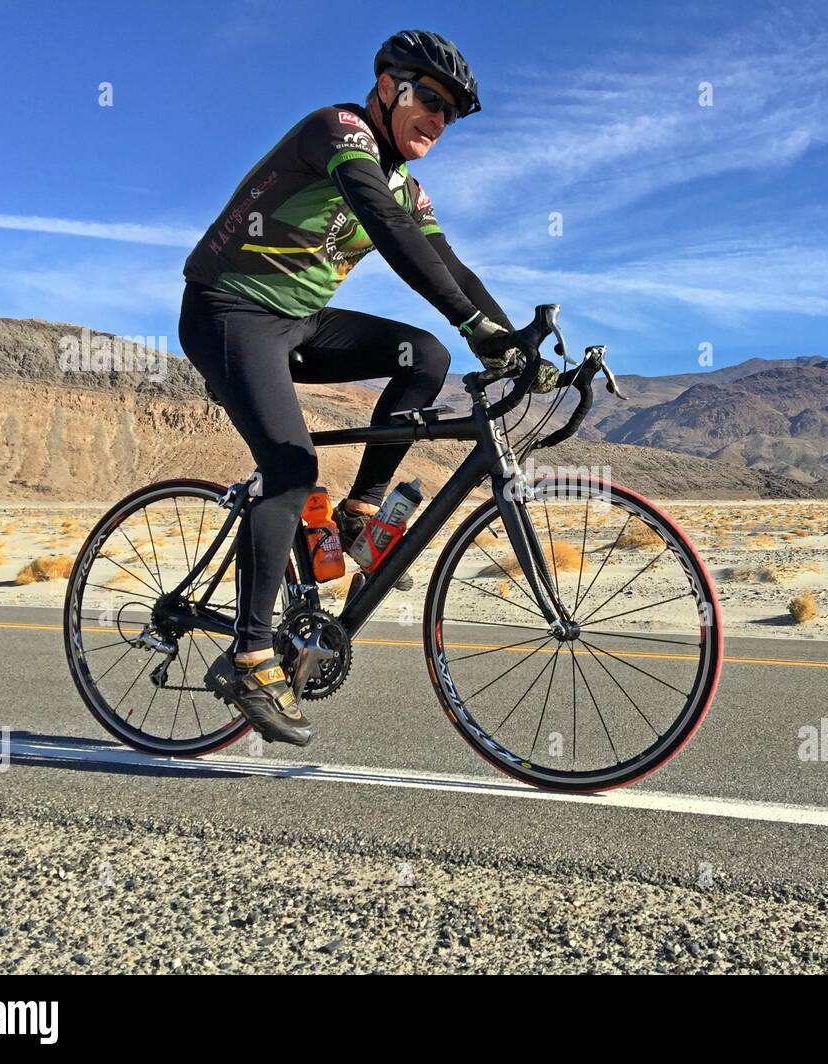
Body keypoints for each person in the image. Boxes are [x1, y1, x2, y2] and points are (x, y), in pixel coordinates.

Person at [178, 29, 556, 746]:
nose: (439, 123)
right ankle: (251, 656)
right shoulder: (339, 131)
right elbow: (385, 227)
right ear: (388, 88)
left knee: (426, 356)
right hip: (228, 310)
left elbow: (451, 264)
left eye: (451, 114)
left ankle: (357, 517)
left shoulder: (409, 186)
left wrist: (512, 345)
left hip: (298, 321)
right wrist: (480, 325)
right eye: (431, 101)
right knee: (289, 468)